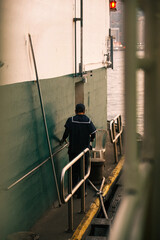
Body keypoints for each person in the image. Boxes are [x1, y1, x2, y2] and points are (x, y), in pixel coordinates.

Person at [60, 103, 96, 197]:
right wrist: (91, 140)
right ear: (84, 111)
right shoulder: (88, 121)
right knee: (83, 171)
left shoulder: (70, 120)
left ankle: (74, 191)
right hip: (84, 151)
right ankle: (82, 192)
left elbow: (66, 133)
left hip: (73, 150)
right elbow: (93, 134)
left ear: (75, 111)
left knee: (73, 171)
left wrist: (63, 140)